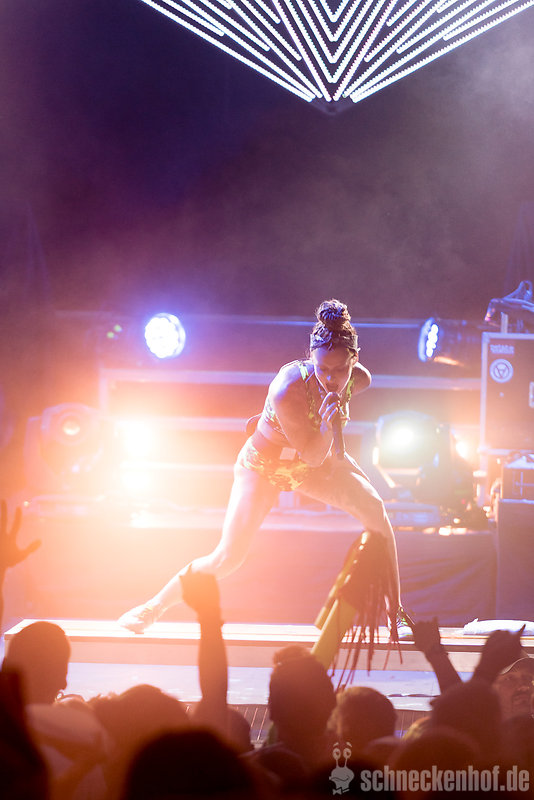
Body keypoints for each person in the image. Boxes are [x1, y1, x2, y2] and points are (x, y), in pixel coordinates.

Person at [119, 299, 409, 638]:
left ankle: (396, 616)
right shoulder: (288, 389)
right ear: (310, 359)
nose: (330, 378)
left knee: (376, 511)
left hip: (310, 459)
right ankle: (154, 606)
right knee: (228, 557)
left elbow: (315, 456)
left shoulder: (359, 380)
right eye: (322, 369)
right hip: (264, 465)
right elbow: (313, 455)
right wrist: (327, 426)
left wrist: (329, 425)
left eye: (339, 370)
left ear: (354, 361)